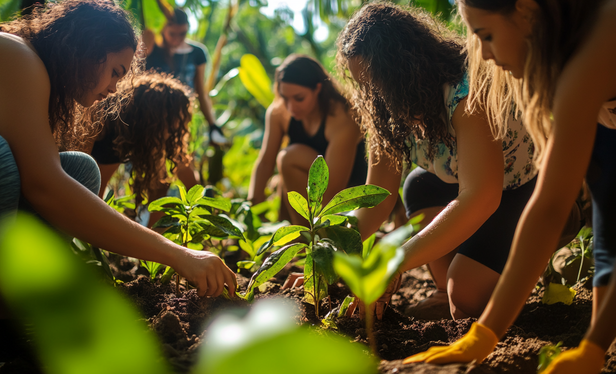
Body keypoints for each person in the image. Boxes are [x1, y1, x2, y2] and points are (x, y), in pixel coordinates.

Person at [0, 0, 236, 369]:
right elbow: (43, 188)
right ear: (86, 51)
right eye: (115, 71)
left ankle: (1, 320)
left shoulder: (39, 75)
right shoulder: (16, 56)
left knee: (78, 170)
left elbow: (42, 184)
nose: (115, 88)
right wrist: (180, 255)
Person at [403, 0, 616, 372]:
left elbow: (551, 209)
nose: (483, 53)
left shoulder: (598, 44)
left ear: (527, 11)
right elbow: (565, 214)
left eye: (487, 35)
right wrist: (594, 347)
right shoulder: (571, 74)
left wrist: (488, 332)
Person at [335, 3, 582, 321]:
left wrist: (394, 261)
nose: (374, 96)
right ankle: (443, 289)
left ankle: (519, 259)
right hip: (467, 190)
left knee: (465, 296)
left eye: (379, 82)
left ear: (405, 68)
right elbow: (376, 198)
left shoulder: (464, 96)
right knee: (420, 185)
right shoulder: (385, 114)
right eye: (366, 87)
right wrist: (326, 258)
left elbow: (480, 197)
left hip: (526, 189)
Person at [247, 54, 368, 226]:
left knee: (289, 157)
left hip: (347, 191)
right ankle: (291, 234)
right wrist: (252, 212)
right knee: (283, 174)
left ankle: (305, 238)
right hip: (306, 186)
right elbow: (265, 162)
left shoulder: (342, 116)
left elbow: (333, 191)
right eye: (284, 97)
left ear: (318, 89)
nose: (291, 107)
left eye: (299, 98)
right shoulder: (279, 112)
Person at [87, 71, 199, 228]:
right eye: (173, 127)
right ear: (156, 121)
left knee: (161, 183)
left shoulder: (144, 131)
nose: (174, 135)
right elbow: (91, 198)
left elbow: (187, 182)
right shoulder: (111, 130)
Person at [141, 1, 225, 145]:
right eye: (172, 34)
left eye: (183, 34)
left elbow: (201, 92)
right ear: (162, 29)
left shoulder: (197, 53)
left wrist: (213, 125)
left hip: (183, 120)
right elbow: (132, 81)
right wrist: (142, 51)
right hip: (151, 118)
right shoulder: (151, 49)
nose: (177, 39)